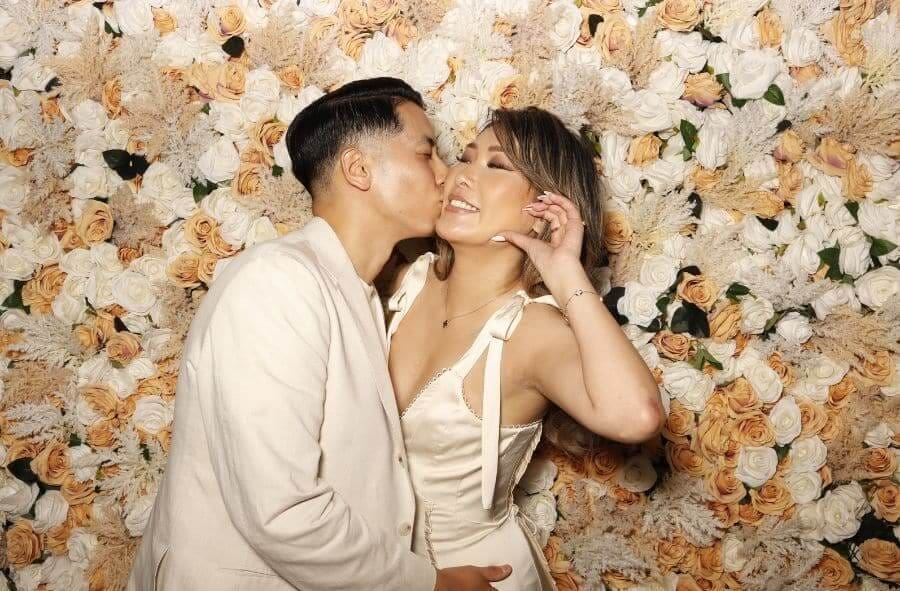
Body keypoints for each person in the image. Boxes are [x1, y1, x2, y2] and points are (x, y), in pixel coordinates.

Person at [127, 78, 513, 591]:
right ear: (358, 170)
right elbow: (280, 510)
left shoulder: (360, 294)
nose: (447, 176)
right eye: (428, 154)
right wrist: (430, 585)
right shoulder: (277, 283)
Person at [385, 107, 667, 590]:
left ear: (544, 209)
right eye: (466, 158)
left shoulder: (532, 332)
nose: (462, 176)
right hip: (380, 570)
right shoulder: (402, 279)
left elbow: (635, 417)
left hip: (482, 578)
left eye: (496, 167)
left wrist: (565, 275)